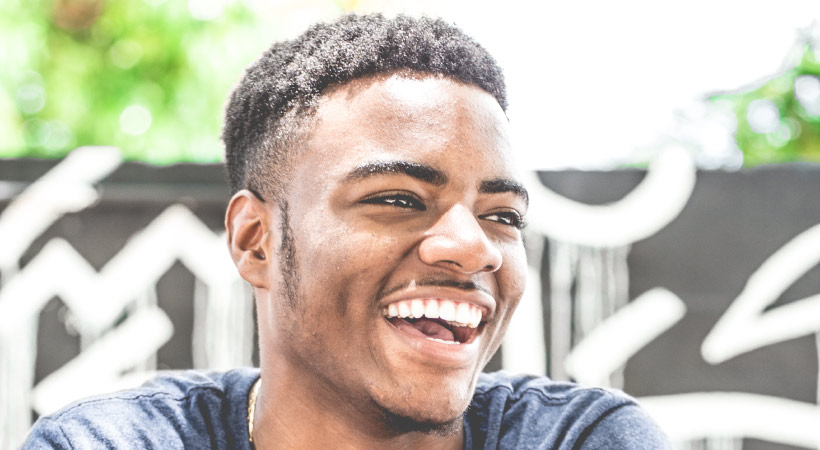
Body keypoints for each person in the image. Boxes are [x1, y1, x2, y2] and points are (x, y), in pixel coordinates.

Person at [23, 13, 671, 449]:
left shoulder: (578, 438)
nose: (474, 246)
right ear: (256, 240)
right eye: (397, 198)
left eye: (502, 215)